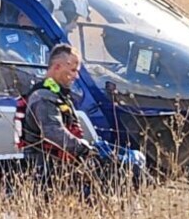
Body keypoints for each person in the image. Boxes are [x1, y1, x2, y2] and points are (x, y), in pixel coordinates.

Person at [18, 44, 145, 189]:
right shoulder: (43, 97)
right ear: (57, 67)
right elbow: (54, 133)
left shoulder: (57, 94)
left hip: (63, 168)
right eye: (72, 70)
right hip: (49, 173)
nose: (76, 76)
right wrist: (87, 150)